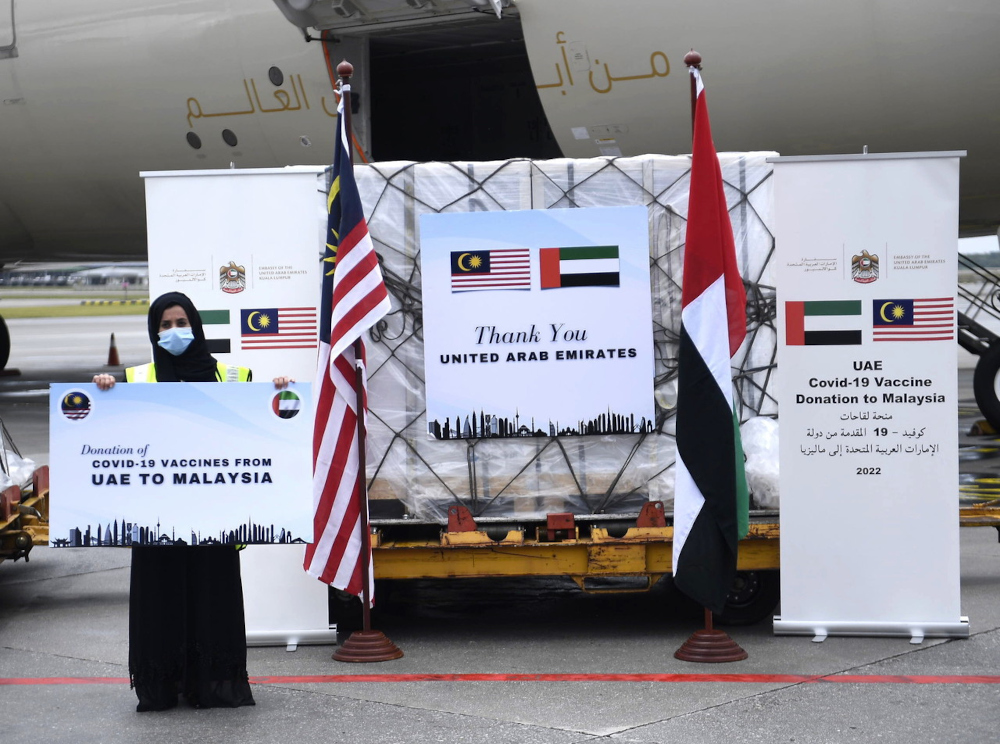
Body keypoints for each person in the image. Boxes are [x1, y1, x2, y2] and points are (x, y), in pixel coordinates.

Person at [93, 291, 292, 712]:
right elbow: (108, 431)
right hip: (156, 519)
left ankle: (216, 685)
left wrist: (277, 393)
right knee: (159, 602)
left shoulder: (232, 374)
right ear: (153, 332)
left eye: (181, 322)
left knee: (213, 598)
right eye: (164, 325)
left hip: (213, 517)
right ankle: (161, 686)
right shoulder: (136, 378)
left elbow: (260, 422)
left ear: (197, 326)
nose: (173, 331)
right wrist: (104, 392)